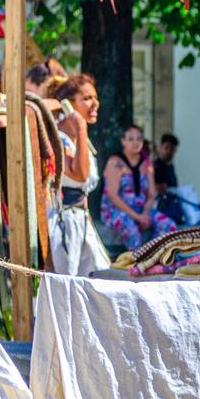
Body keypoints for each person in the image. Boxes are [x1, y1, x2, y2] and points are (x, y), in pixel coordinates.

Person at [47, 73, 111, 274]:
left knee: (95, 278)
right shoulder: (58, 139)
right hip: (63, 221)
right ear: (68, 104)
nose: (95, 104)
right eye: (87, 99)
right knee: (67, 285)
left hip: (81, 219)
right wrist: (81, 129)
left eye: (95, 97)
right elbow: (80, 174)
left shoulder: (77, 140)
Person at [101, 124, 177, 251]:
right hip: (117, 211)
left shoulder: (146, 163)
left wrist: (145, 213)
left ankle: (153, 255)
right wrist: (137, 217)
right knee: (132, 231)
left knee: (169, 225)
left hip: (141, 209)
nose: (136, 143)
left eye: (139, 139)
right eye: (131, 139)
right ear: (123, 141)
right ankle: (137, 261)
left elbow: (152, 193)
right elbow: (112, 195)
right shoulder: (115, 162)